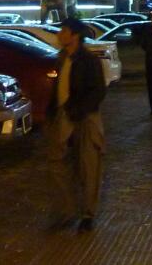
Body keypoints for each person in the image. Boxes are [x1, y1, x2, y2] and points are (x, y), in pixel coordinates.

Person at [47, 19, 106, 231]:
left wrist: (80, 111)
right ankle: (67, 210)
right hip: (64, 116)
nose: (59, 34)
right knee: (57, 163)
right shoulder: (62, 58)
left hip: (85, 118)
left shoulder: (89, 60)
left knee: (88, 166)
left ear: (75, 36)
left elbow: (98, 91)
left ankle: (87, 214)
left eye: (64, 30)